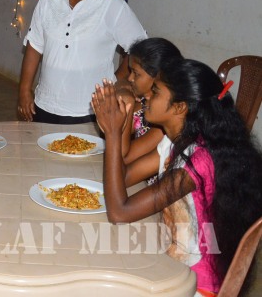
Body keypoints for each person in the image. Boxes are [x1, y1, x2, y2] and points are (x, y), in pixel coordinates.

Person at [91, 60, 262, 296]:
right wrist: (118, 128)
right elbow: (124, 177)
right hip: (175, 260)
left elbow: (120, 212)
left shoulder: (197, 161)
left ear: (180, 107)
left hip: (195, 284)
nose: (146, 96)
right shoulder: (176, 142)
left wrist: (112, 134)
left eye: (156, 92)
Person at [17, 0, 147, 124]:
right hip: (45, 105)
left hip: (92, 110)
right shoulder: (48, 0)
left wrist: (117, 79)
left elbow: (140, 48)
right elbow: (34, 46)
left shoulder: (112, 6)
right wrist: (24, 90)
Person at [116, 38, 183, 167]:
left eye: (136, 73)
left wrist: (127, 104)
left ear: (157, 76)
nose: (130, 78)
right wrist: (121, 88)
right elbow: (112, 129)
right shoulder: (143, 103)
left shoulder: (165, 122)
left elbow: (122, 158)